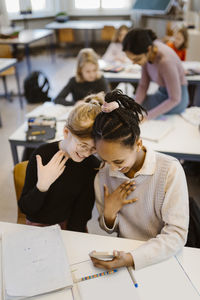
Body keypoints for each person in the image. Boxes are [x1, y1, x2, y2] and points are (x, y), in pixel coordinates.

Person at [90, 89, 189, 270]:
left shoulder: (170, 171)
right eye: (105, 160)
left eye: (119, 161)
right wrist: (109, 215)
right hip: (123, 254)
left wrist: (131, 259)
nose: (111, 168)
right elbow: (103, 230)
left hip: (162, 257)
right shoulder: (103, 174)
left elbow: (176, 234)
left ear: (138, 143)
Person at [18, 93, 104, 232]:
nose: (86, 153)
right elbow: (26, 208)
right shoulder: (42, 155)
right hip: (39, 225)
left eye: (93, 149)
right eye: (83, 145)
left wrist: (68, 237)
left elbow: (82, 213)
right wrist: (42, 187)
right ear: (66, 132)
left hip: (70, 228)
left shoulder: (91, 165)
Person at [122, 28, 189, 120]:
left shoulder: (166, 62)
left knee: (146, 114)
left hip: (177, 100)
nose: (134, 63)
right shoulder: (147, 51)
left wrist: (147, 117)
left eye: (137, 59)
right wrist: (133, 107)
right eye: (132, 60)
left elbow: (174, 99)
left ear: (149, 50)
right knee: (129, 104)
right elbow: (143, 85)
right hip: (162, 93)